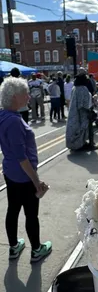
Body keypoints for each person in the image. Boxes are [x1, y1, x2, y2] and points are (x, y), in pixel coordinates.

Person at [0, 77, 52, 262]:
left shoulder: (4, 115)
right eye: (25, 94)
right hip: (23, 176)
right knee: (31, 213)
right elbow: (22, 157)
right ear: (14, 97)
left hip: (9, 172)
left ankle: (14, 247)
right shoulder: (14, 122)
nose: (29, 97)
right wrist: (37, 182)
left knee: (13, 209)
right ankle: (37, 250)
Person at [66, 68, 98, 151]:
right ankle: (85, 144)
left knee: (75, 128)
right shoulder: (83, 89)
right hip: (83, 113)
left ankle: (81, 143)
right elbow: (83, 104)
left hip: (74, 112)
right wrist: (89, 110)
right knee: (85, 129)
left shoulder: (74, 88)